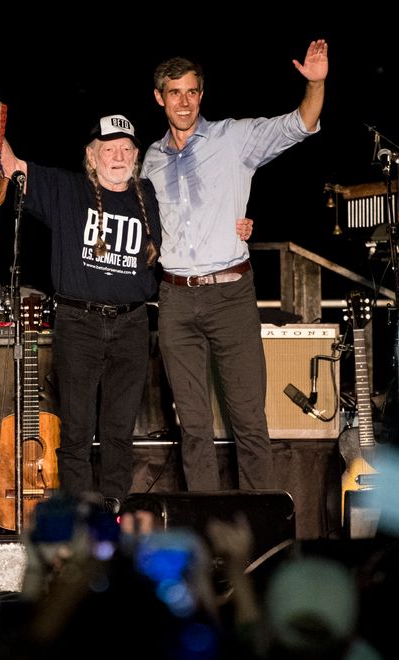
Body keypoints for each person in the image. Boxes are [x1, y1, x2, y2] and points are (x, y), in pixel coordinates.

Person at [0, 83, 253, 511]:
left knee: (120, 430)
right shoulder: (66, 191)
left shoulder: (151, 198)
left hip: (133, 324)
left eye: (125, 148)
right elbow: (8, 164)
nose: (117, 156)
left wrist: (239, 223)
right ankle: (82, 517)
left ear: (136, 156)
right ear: (92, 155)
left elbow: (199, 215)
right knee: (78, 431)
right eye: (108, 148)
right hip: (78, 324)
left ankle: (115, 508)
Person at [140, 40, 328, 491]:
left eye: (191, 92)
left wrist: (316, 84)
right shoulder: (149, 159)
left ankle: (258, 526)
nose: (183, 102)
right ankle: (207, 527)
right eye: (174, 93)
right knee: (193, 426)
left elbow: (300, 123)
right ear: (159, 97)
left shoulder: (233, 138)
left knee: (248, 418)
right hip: (176, 300)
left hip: (230, 296)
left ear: (201, 95)